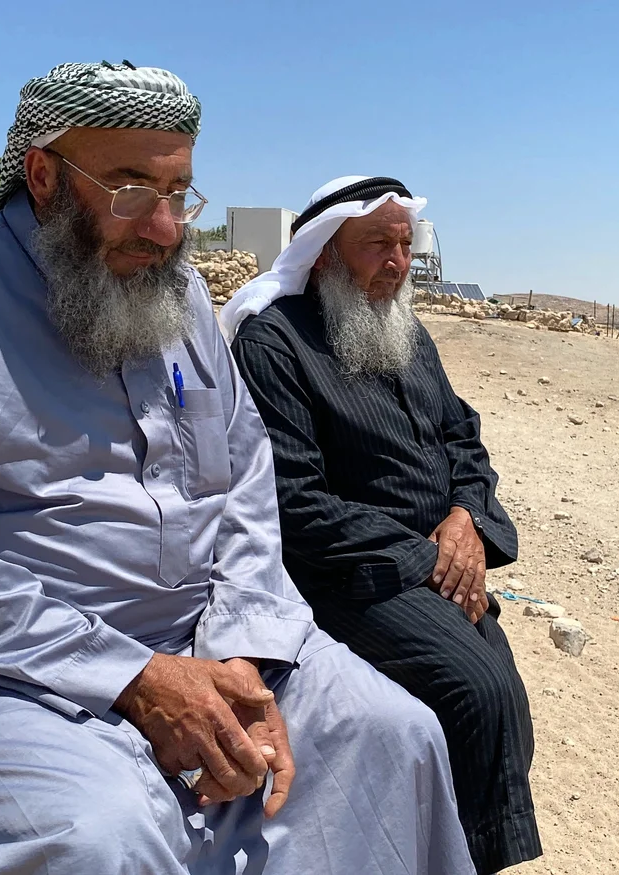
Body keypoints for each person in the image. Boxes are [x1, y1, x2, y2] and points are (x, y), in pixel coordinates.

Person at [0, 64, 474, 875]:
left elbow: (245, 485)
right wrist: (136, 676)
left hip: (206, 635)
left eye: (177, 193)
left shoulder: (184, 297)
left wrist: (243, 653)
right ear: (43, 176)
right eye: (132, 189)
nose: (166, 228)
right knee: (106, 832)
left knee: (395, 733)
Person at [223, 177, 541, 874]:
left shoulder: (409, 333)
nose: (397, 263)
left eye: (404, 244)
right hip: (346, 574)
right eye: (377, 245)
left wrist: (465, 520)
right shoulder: (275, 342)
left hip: (436, 564)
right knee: (475, 692)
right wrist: (430, 559)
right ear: (325, 254)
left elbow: (463, 438)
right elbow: (292, 501)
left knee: (504, 698)